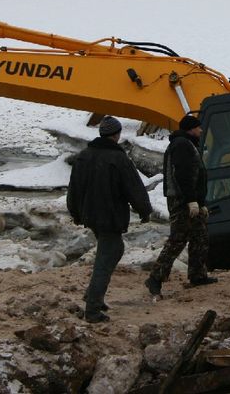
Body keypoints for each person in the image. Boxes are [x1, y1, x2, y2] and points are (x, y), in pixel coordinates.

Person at [67, 115, 152, 323]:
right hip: (110, 215)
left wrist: (76, 213)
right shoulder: (118, 158)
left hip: (91, 214)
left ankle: (93, 295)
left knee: (111, 251)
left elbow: (74, 188)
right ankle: (93, 309)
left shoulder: (84, 156)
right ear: (116, 135)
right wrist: (144, 210)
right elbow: (134, 187)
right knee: (108, 255)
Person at [145, 114, 217, 297]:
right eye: (198, 127)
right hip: (181, 200)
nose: (201, 130)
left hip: (190, 200)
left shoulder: (188, 144)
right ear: (191, 129)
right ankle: (155, 277)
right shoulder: (182, 145)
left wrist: (201, 203)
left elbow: (196, 176)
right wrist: (190, 200)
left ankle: (197, 274)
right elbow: (183, 175)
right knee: (178, 239)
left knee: (199, 235)